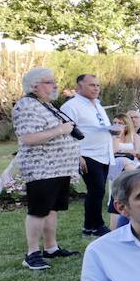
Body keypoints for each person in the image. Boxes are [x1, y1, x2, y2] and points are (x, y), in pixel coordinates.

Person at [13, 68, 82, 270]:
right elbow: (28, 138)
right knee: (38, 211)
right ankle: (32, 254)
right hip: (41, 168)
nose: (55, 85)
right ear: (35, 86)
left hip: (58, 168)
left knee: (52, 209)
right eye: (49, 82)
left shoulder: (45, 104)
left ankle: (51, 248)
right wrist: (61, 129)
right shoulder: (27, 105)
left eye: (54, 81)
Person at [60, 73, 115, 238]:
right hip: (87, 154)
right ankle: (97, 226)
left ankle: (89, 227)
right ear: (79, 87)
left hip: (103, 153)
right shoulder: (71, 106)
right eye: (92, 85)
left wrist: (112, 131)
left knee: (97, 191)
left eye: (97, 85)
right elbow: (66, 134)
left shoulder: (97, 104)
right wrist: (78, 156)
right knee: (96, 189)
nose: (96, 88)